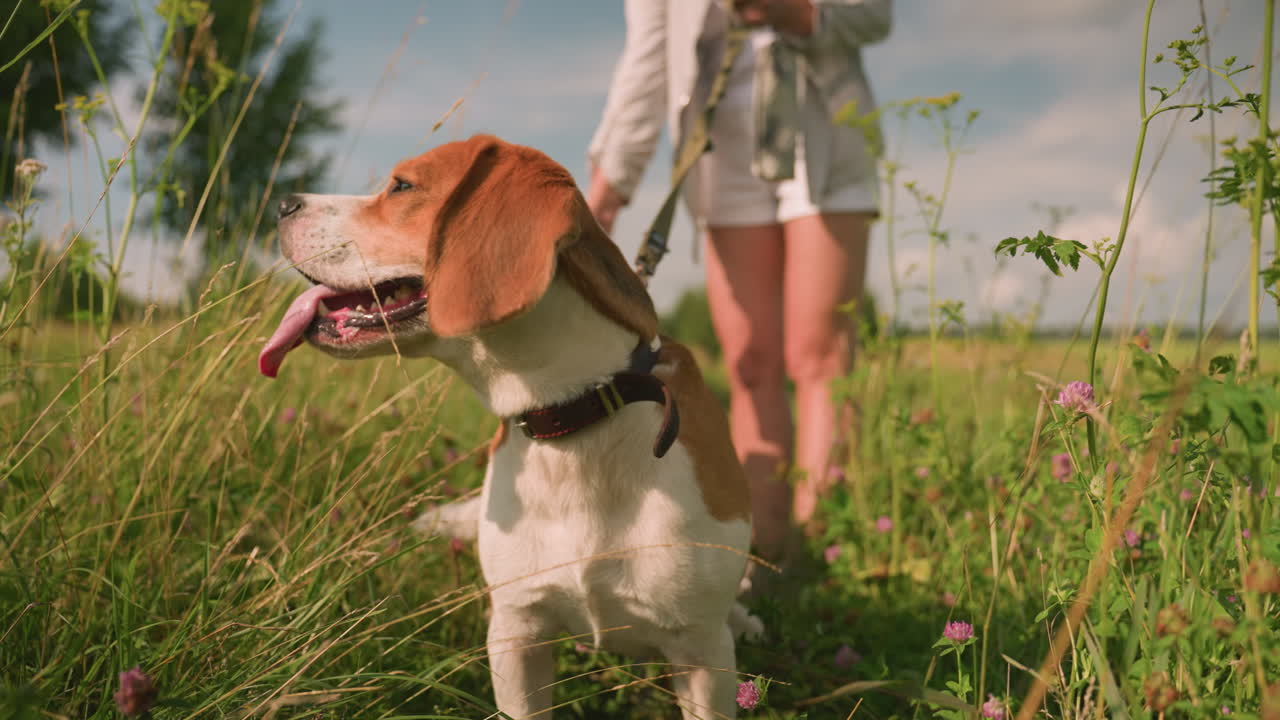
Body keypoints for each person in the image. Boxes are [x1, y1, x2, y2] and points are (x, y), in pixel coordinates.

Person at [586, 0, 891, 563]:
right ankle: (765, 556)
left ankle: (820, 551)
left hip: (826, 131)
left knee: (819, 356)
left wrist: (793, 11)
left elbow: (875, 15)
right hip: (720, 150)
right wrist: (608, 190)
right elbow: (648, 63)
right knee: (750, 363)